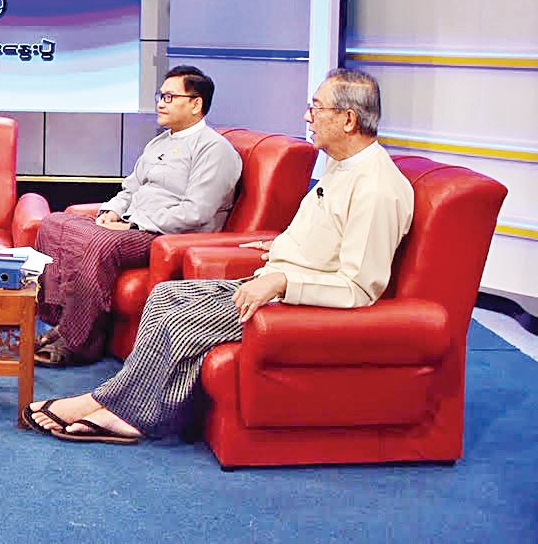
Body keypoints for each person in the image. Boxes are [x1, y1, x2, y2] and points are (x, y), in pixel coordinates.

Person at [26, 68, 414, 444]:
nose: (307, 117)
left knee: (180, 321)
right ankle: (123, 405)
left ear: (348, 119)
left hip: (295, 303)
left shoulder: (377, 188)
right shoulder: (342, 168)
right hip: (271, 283)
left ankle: (107, 407)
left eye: (316, 108)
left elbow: (358, 288)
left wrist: (283, 281)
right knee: (165, 296)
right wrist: (281, 248)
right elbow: (327, 239)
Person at [33, 65, 242, 366]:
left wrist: (132, 225)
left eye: (170, 97)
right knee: (54, 223)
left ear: (196, 104)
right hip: (130, 224)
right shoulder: (159, 142)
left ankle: (79, 345)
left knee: (100, 245)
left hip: (165, 235)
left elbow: (196, 212)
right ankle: (60, 323)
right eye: (161, 96)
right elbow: (130, 188)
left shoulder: (215, 150)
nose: (161, 104)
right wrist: (112, 211)